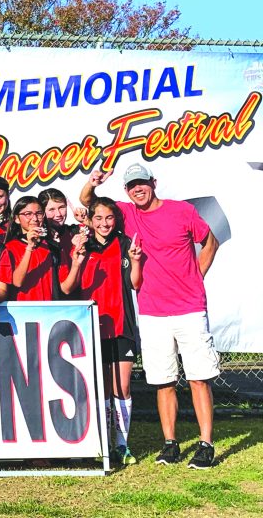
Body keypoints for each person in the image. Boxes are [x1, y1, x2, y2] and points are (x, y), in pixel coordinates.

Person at [80, 163, 221, 470]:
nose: (138, 189)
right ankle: (170, 444)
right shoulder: (126, 214)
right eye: (132, 186)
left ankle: (206, 444)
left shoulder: (180, 211)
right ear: (126, 191)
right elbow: (88, 202)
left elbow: (211, 241)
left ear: (153, 183)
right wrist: (92, 182)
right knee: (163, 381)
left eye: (142, 183)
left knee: (198, 379)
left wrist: (198, 275)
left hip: (190, 308)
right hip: (152, 311)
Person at [78, 197, 142, 465]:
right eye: (99, 218)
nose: (104, 223)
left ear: (115, 220)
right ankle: (103, 442)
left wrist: (135, 261)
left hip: (121, 324)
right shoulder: (82, 245)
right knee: (101, 387)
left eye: (109, 218)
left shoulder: (126, 244)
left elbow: (134, 284)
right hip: (92, 325)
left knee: (122, 386)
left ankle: (122, 444)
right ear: (90, 221)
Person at [4, 196, 85, 301]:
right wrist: (29, 247)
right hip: (22, 313)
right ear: (16, 219)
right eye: (28, 214)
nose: (35, 219)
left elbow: (66, 289)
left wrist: (76, 264)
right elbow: (17, 282)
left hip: (50, 312)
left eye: (39, 213)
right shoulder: (9, 247)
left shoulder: (53, 246)